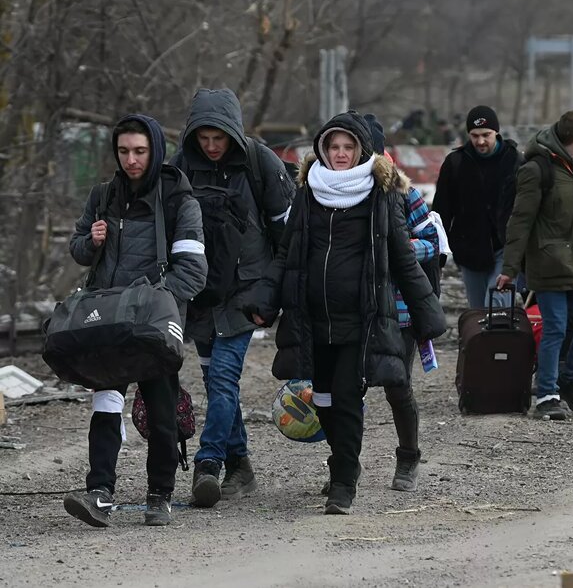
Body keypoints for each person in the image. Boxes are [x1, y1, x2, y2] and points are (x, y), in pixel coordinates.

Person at [247, 111, 446, 515]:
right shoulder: (309, 193)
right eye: (333, 147)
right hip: (312, 317)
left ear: (362, 151)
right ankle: (343, 462)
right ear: (322, 149)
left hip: (362, 317)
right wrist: (264, 301)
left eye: (348, 147)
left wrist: (426, 312)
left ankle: (343, 481)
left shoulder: (382, 193)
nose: (340, 154)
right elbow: (288, 253)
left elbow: (404, 258)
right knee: (322, 400)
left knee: (347, 396)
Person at [63, 115, 208, 527]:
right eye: (124, 151)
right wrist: (91, 242)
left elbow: (193, 272)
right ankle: (99, 494)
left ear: (155, 150)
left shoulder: (180, 201)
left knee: (162, 414)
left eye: (139, 151)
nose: (131, 160)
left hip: (155, 326)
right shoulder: (103, 195)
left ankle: (159, 495)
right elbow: (77, 249)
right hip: (107, 324)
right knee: (105, 405)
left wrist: (151, 303)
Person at [172, 88, 294, 509]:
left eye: (218, 138)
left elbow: (287, 237)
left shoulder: (262, 163)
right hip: (202, 294)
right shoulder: (180, 166)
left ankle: (209, 465)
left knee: (223, 379)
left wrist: (273, 296)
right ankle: (241, 465)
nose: (211, 147)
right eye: (203, 139)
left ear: (233, 134)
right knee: (213, 381)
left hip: (246, 293)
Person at [497, 109, 573, 420]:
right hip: (548, 263)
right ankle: (547, 395)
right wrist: (509, 270)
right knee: (556, 329)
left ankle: (569, 378)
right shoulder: (537, 170)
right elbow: (520, 222)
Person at [366, 114, 440, 492]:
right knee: (345, 388)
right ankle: (343, 462)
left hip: (400, 308)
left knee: (398, 385)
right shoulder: (329, 192)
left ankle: (408, 456)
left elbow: (433, 240)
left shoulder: (402, 191)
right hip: (354, 306)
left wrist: (405, 249)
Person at [433, 106, 520, 309]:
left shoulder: (514, 160)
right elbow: (442, 211)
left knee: (497, 308)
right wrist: (438, 255)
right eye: (475, 135)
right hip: (469, 249)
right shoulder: (456, 163)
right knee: (478, 311)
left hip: (505, 247)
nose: (480, 141)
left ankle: (498, 339)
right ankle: (480, 341)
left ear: (496, 132)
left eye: (486, 135)